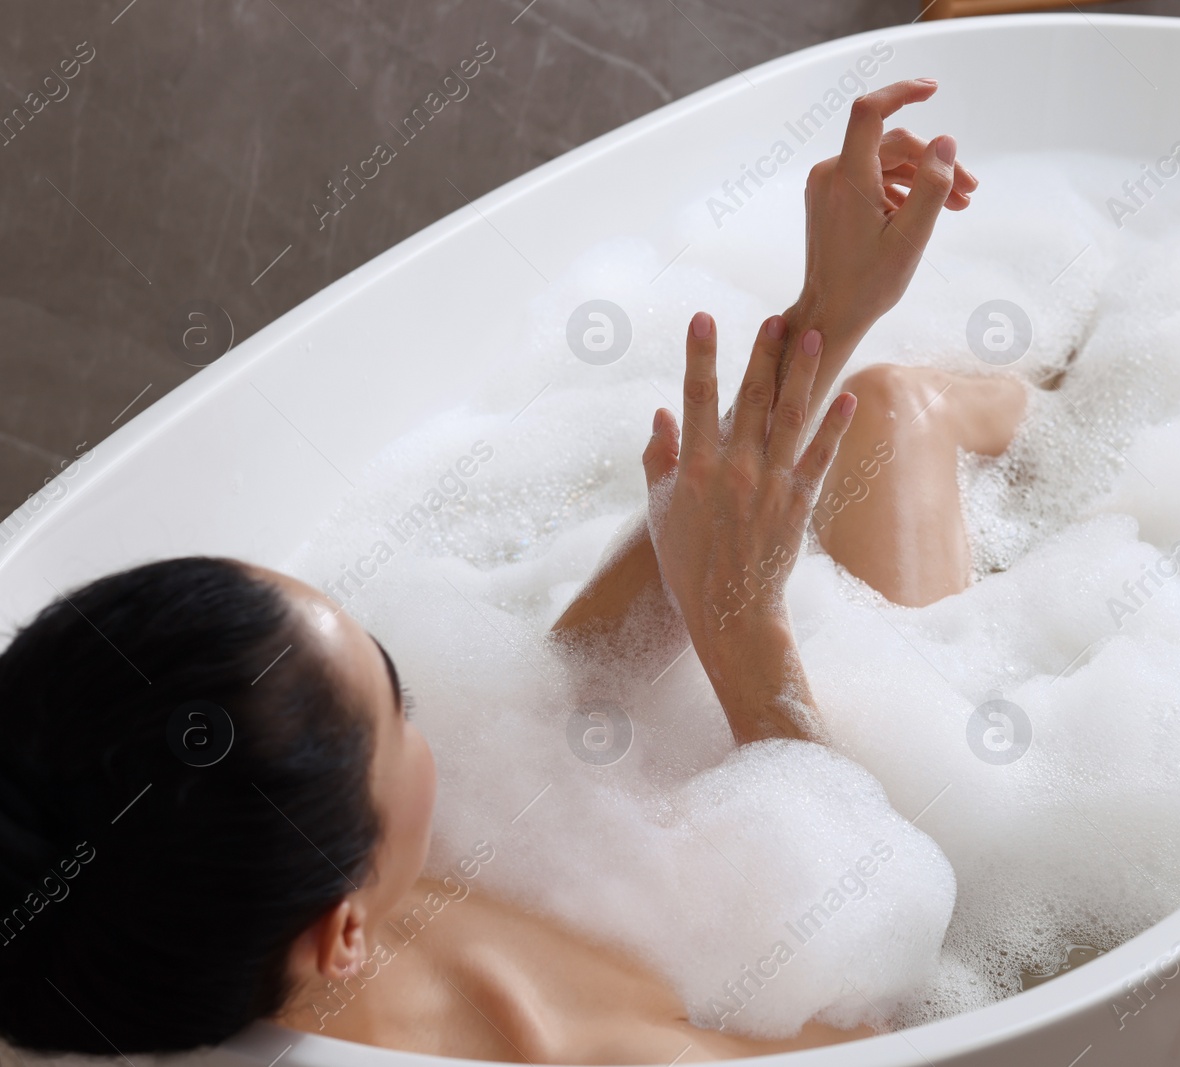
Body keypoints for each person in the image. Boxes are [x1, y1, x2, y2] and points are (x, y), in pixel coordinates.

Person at [0, 79, 1022, 1064]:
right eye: (397, 704)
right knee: (900, 412)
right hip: (938, 915)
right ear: (341, 936)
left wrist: (821, 318)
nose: (427, 709)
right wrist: (748, 638)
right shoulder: (546, 1039)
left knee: (877, 401)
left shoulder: (174, 902)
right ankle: (1053, 388)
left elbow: (572, 690)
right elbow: (891, 1027)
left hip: (726, 864)